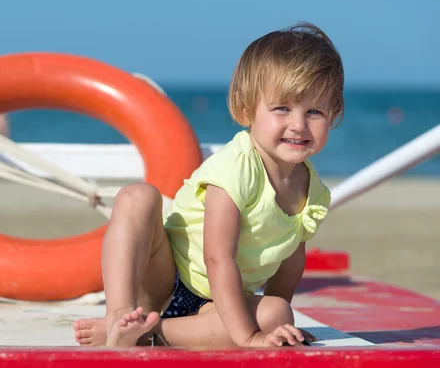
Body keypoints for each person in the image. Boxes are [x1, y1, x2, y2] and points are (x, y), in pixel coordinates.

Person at [73, 22, 344, 348]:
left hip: (215, 305)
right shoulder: (236, 168)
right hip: (166, 275)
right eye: (282, 108)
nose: (298, 125)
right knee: (138, 196)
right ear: (247, 110)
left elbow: (290, 259)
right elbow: (217, 258)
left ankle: (149, 334)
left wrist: (276, 326)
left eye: (314, 111)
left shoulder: (313, 191)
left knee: (279, 313)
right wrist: (249, 336)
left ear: (334, 114)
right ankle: (119, 316)